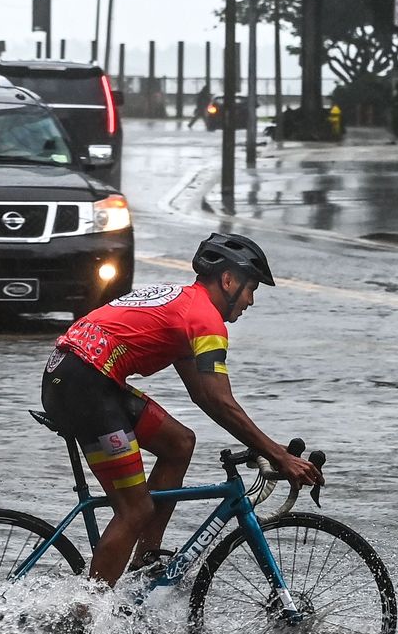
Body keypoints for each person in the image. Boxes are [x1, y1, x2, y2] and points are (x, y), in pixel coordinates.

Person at [40, 232, 322, 588]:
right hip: (84, 384)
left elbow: (204, 396)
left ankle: (146, 566)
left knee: (179, 442)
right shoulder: (205, 320)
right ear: (228, 279)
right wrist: (278, 454)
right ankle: (85, 615)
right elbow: (220, 399)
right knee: (135, 509)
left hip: (81, 375)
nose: (250, 300)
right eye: (251, 288)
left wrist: (265, 446)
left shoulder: (186, 307)